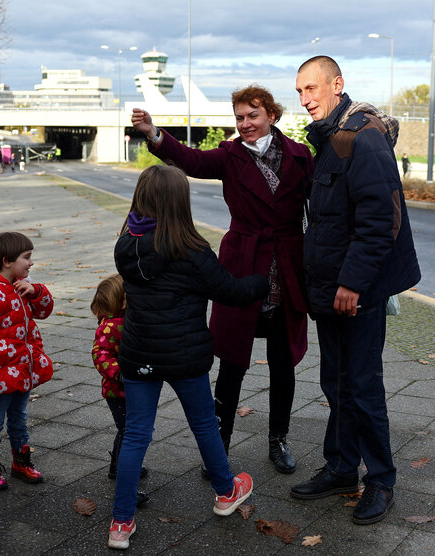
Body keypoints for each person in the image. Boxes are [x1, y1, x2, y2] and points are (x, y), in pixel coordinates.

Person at [131, 85, 314, 476]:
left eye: (253, 116)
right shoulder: (230, 156)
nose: (245, 124)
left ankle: (278, 441)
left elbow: (321, 207)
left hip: (287, 266)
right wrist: (154, 134)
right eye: (240, 118)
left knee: (283, 364)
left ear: (272, 116)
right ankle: (220, 445)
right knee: (231, 362)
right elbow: (190, 160)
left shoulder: (300, 155)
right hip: (242, 263)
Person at [108, 165, 268, 549]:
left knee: (135, 435)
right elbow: (229, 290)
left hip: (139, 353)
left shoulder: (125, 245)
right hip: (185, 356)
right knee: (203, 425)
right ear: (180, 202)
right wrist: (261, 281)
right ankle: (226, 492)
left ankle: (120, 523)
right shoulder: (192, 250)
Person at [291, 56, 421, 525]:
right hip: (329, 289)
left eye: (312, 89)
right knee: (337, 383)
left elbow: (380, 220)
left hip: (354, 291)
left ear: (337, 84)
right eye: (300, 91)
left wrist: (352, 283)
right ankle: (343, 468)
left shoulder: (359, 138)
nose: (305, 99)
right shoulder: (329, 137)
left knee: (363, 387)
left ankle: (380, 481)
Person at [0, 232, 54, 490]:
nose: (31, 263)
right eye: (26, 257)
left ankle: (21, 462)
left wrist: (36, 291)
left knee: (19, 417)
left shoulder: (22, 286)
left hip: (21, 369)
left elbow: (44, 311)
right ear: (7, 261)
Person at [90, 274, 149, 507]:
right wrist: (121, 374)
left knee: (127, 431)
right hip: (119, 392)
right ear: (124, 301)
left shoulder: (129, 319)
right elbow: (100, 355)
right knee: (129, 433)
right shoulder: (110, 326)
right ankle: (125, 478)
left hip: (133, 389)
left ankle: (118, 466)